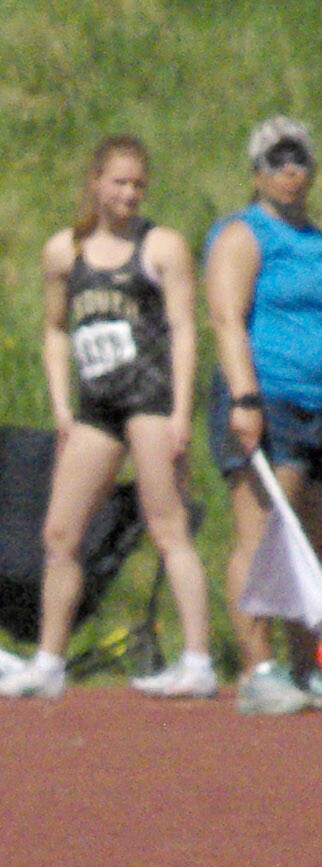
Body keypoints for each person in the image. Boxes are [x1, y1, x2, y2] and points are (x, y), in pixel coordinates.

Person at [0, 137, 212, 701]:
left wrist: (182, 412)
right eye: (119, 182)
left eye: (138, 183)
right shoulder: (65, 252)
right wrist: (61, 406)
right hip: (96, 407)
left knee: (167, 527)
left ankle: (199, 658)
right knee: (59, 533)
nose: (129, 193)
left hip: (151, 401)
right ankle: (48, 660)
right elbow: (56, 330)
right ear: (95, 182)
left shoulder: (162, 247)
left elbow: (185, 330)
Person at [204, 115, 322, 716]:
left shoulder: (316, 242)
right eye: (276, 161)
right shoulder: (242, 236)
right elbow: (227, 318)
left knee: (310, 536)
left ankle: (309, 665)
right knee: (261, 534)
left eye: (299, 159)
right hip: (265, 399)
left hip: (316, 403)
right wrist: (245, 399)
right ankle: (258, 666)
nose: (290, 171)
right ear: (256, 172)